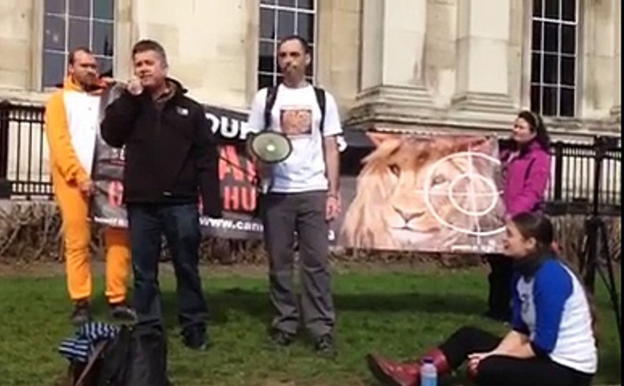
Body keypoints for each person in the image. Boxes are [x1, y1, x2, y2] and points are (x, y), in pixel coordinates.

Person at [367, 213, 598, 386]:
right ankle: (414, 374)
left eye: (510, 235)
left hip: (568, 370)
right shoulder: (521, 273)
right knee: (469, 337)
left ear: (530, 243)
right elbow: (520, 330)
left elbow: (542, 345)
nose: (503, 239)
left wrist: (492, 357)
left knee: (489, 368)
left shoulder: (550, 276)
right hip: (542, 356)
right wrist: (494, 353)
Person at [100, 39, 221, 351]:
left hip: (180, 202)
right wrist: (129, 99)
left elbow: (207, 156)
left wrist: (212, 201)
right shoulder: (130, 104)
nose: (143, 69)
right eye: (138, 64)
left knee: (187, 267)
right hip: (142, 203)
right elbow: (111, 133)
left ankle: (194, 327)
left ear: (164, 68)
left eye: (148, 63)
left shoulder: (191, 110)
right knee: (143, 271)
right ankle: (150, 328)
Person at [246, 35, 343, 357]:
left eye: (294, 55)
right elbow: (253, 141)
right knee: (280, 264)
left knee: (316, 264)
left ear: (307, 58)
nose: (288, 61)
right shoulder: (266, 97)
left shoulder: (323, 99)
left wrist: (333, 191)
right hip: (277, 193)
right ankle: (285, 325)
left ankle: (320, 329)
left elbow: (331, 146)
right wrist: (259, 161)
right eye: (283, 56)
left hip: (313, 190)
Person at [44, 47, 135, 325]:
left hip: (110, 178)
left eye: (94, 66)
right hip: (72, 181)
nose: (90, 70)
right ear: (71, 68)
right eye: (84, 65)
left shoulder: (108, 97)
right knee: (77, 240)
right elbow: (60, 143)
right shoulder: (59, 100)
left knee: (119, 236)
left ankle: (117, 297)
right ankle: (81, 300)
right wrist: (78, 175)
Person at [487, 110, 552, 322]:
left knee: (516, 266)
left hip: (522, 219)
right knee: (498, 264)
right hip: (500, 216)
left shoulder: (539, 157)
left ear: (533, 132)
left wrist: (513, 213)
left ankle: (516, 310)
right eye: (515, 125)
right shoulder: (507, 154)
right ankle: (496, 307)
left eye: (521, 127)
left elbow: (533, 190)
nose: (515, 130)